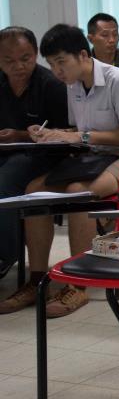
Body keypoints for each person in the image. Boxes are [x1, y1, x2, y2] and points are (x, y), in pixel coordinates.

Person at [0, 24, 119, 317]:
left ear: (83, 55)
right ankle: (37, 280)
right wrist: (50, 134)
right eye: (52, 64)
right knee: (34, 190)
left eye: (62, 62)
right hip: (96, 156)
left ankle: (78, 284)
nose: (57, 71)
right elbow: (79, 130)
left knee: (77, 193)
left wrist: (78, 136)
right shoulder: (73, 85)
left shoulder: (118, 80)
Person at [0, 27, 70, 278]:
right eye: (9, 60)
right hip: (7, 153)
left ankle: (5, 254)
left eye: (25, 58)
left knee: (6, 179)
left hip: (44, 156)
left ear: (36, 53)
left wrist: (21, 135)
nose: (18, 66)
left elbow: (67, 133)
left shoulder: (51, 85)